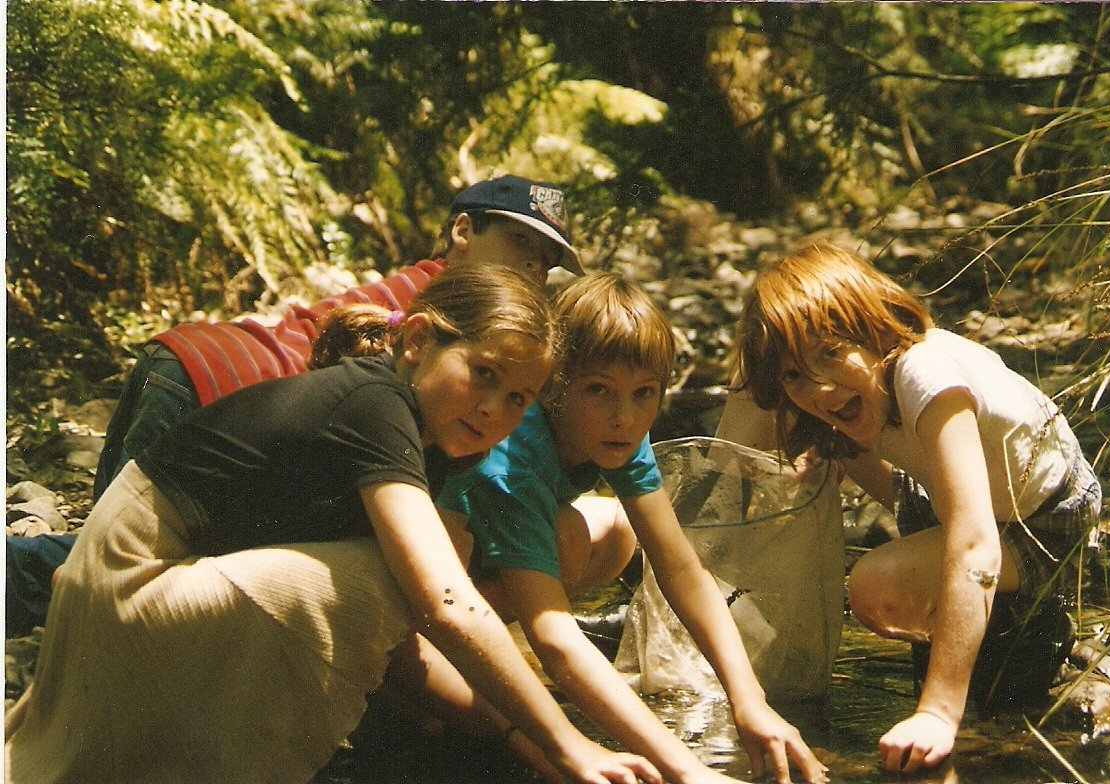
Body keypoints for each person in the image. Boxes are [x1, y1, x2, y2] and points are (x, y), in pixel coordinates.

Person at [4, 263, 660, 784]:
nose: (492, 410)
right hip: (130, 585)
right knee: (408, 568)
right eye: (481, 375)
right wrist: (571, 744)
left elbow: (402, 651)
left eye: (516, 398)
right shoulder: (378, 403)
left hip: (144, 601)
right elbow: (444, 604)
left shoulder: (431, 441)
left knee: (419, 562)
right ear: (417, 341)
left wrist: (513, 736)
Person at [5, 173, 585, 638]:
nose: (531, 267)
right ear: (462, 231)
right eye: (518, 242)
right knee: (105, 568)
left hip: (190, 360)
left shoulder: (439, 302)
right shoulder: (446, 317)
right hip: (214, 382)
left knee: (99, 564)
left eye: (544, 260)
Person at [375, 272, 829, 784]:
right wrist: (688, 771)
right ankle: (412, 688)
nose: (624, 417)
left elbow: (681, 567)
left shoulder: (619, 426)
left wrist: (750, 701)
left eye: (644, 394)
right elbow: (557, 643)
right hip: (411, 605)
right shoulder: (511, 462)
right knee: (526, 743)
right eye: (599, 391)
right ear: (554, 390)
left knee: (610, 533)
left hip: (468, 572)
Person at [733, 242, 1101, 774]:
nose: (816, 386)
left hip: (1046, 519)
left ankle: (1016, 620)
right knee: (817, 426)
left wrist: (937, 713)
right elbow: (762, 400)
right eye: (793, 374)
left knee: (876, 588)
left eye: (831, 352)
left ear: (878, 330)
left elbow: (973, 542)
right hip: (951, 502)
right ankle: (976, 625)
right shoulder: (852, 393)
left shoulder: (925, 372)